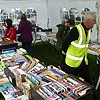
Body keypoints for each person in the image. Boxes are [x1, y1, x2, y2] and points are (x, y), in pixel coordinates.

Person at [62, 11, 96, 85]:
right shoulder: (76, 30)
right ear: (88, 20)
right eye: (94, 21)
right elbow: (64, 44)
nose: (95, 23)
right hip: (72, 64)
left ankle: (91, 96)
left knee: (88, 82)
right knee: (70, 83)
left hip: (83, 62)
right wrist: (67, 54)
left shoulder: (88, 30)